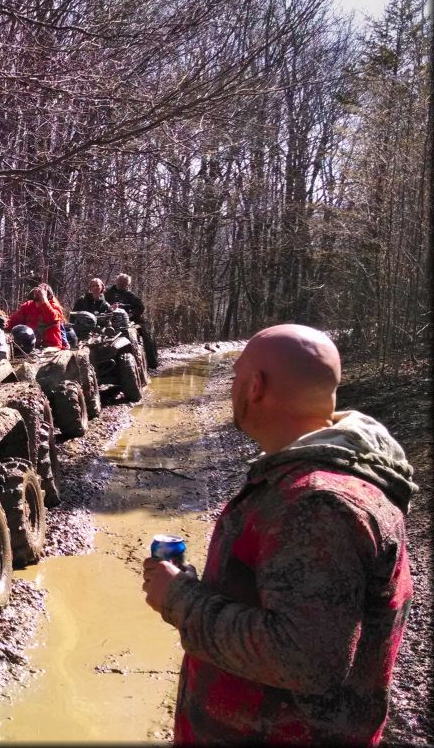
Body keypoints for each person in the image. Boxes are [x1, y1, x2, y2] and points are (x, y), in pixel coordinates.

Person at [142, 324, 415, 745]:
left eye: (235, 376)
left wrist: (180, 599)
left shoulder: (318, 504)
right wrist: (195, 587)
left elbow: (304, 659)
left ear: (255, 387)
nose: (231, 385)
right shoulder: (316, 483)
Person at [105, 272, 157, 368]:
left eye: (124, 282)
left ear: (128, 284)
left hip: (131, 320)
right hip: (110, 320)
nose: (121, 284)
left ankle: (150, 363)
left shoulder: (131, 295)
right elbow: (103, 305)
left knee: (146, 336)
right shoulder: (108, 294)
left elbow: (140, 307)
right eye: (120, 281)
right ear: (116, 281)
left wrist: (131, 314)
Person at [7, 285, 66, 350]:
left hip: (51, 347)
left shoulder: (55, 307)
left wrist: (44, 301)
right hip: (31, 346)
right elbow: (13, 321)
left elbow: (53, 318)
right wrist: (4, 324)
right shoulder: (28, 306)